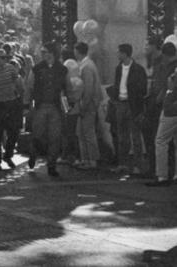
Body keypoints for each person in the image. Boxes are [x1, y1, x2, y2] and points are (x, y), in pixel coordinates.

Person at [27, 42, 68, 177]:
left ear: (52, 53)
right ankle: (33, 154)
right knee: (37, 135)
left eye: (45, 52)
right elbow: (30, 86)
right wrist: (28, 105)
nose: (43, 54)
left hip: (55, 107)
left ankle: (51, 165)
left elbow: (66, 89)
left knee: (55, 137)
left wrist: (67, 107)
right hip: (40, 106)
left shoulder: (62, 69)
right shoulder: (36, 68)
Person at [109, 43, 148, 175]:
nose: (117, 54)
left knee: (135, 136)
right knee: (122, 136)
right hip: (121, 103)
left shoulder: (138, 69)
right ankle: (123, 163)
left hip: (132, 105)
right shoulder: (118, 68)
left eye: (119, 52)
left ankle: (138, 164)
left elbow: (142, 89)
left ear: (125, 54)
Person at [73, 42, 103, 170]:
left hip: (88, 104)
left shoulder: (86, 67)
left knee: (87, 132)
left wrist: (83, 105)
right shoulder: (87, 64)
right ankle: (85, 158)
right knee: (81, 132)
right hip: (86, 103)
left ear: (77, 51)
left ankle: (92, 159)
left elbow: (88, 88)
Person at [146, 71, 177, 187]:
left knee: (161, 141)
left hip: (171, 110)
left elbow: (171, 83)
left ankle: (162, 176)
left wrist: (168, 92)